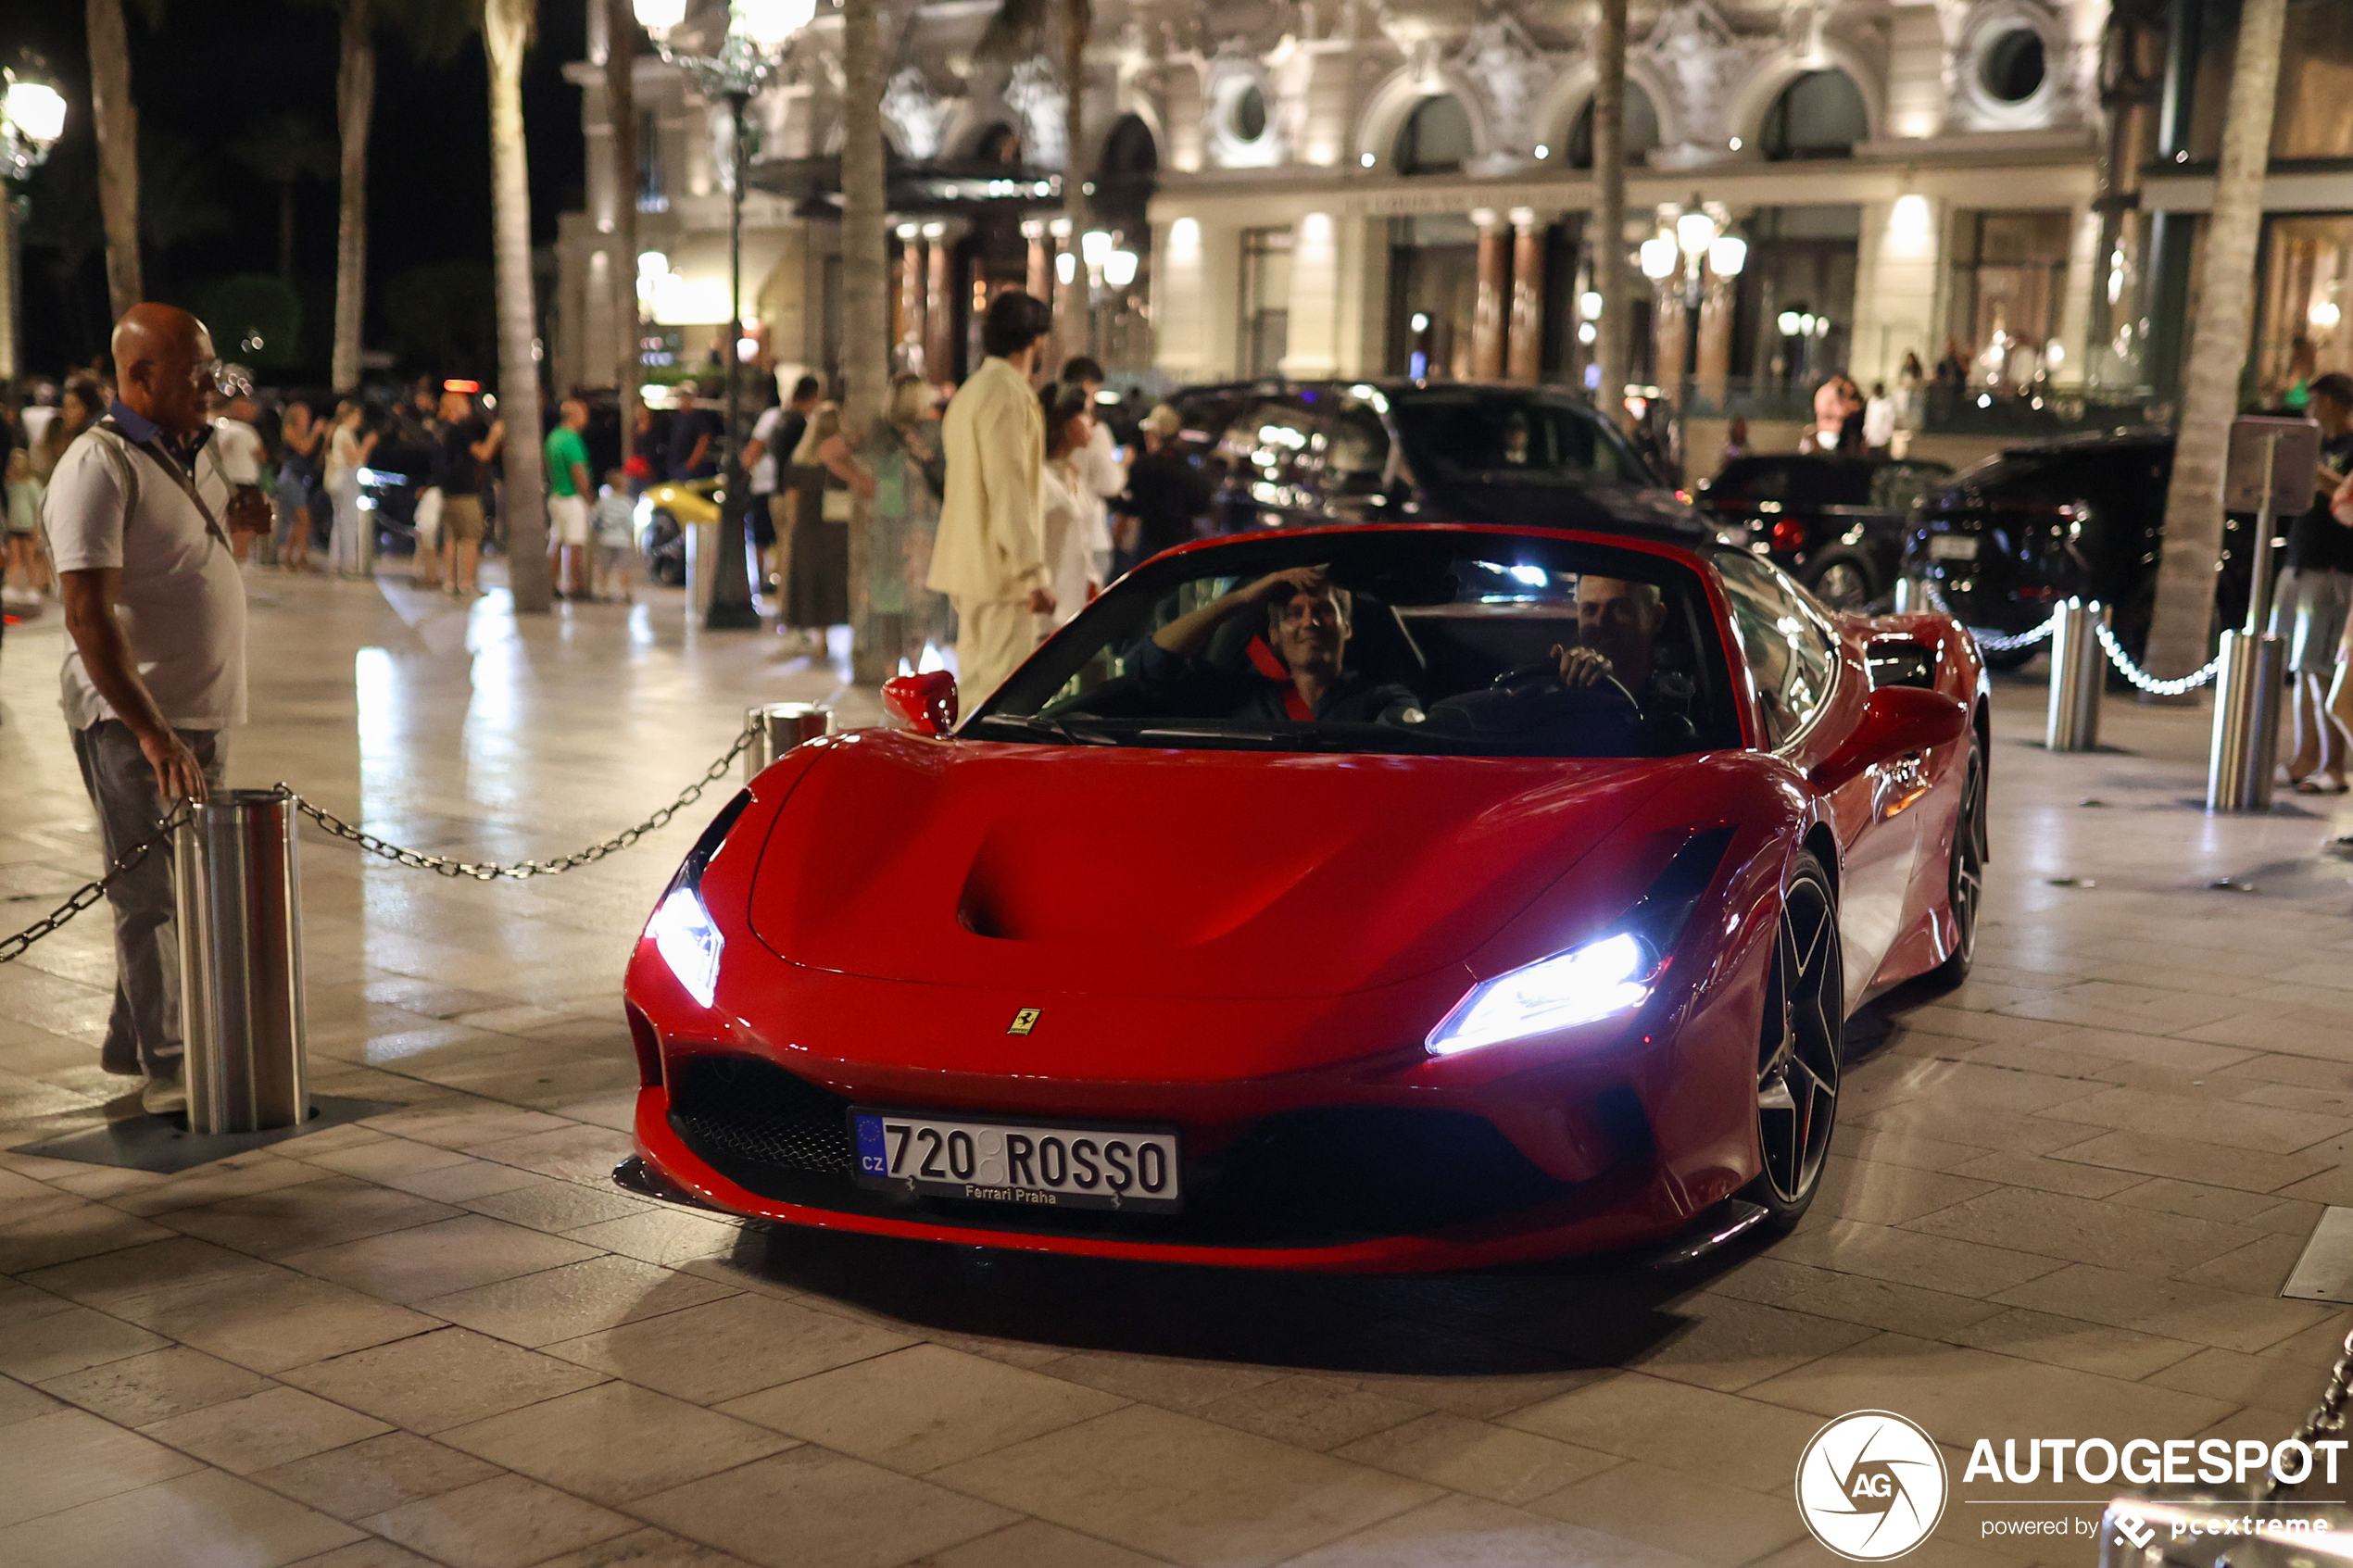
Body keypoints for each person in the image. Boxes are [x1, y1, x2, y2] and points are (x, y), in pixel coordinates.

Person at [44, 304, 269, 1113]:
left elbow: (179, 563)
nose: (212, 389)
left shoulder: (192, 452)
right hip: (134, 718)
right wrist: (148, 727)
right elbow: (86, 614)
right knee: (151, 892)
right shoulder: (96, 466)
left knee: (172, 885)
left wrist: (241, 527)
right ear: (139, 377)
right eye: (196, 374)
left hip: (197, 710)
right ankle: (169, 1060)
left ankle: (129, 1034)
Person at [929, 290, 1057, 701]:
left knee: (977, 685)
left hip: (971, 562)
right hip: (999, 570)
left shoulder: (970, 393)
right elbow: (1009, 489)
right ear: (1036, 340)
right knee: (997, 695)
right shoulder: (1008, 395)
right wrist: (1032, 571)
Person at [1136, 565, 1417, 722]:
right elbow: (1156, 662)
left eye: (1324, 612)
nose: (1310, 622)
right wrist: (1241, 599)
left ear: (1347, 628)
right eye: (1294, 615)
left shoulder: (1381, 699)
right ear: (1274, 635)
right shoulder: (1239, 694)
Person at [2275, 371, 2353, 793]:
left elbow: (2348, 495)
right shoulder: (2317, 444)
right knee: (2304, 668)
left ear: (2339, 404)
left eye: (2318, 401)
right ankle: (2305, 757)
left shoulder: (2347, 448)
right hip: (2302, 562)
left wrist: (2317, 472)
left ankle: (2333, 765)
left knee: (2325, 669)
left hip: (2335, 570)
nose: (2311, 409)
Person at [858, 370, 950, 668]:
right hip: (916, 529)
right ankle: (911, 668)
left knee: (899, 602)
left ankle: (899, 672)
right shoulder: (911, 433)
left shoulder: (885, 434)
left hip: (892, 527)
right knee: (912, 601)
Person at [781, 402, 858, 648]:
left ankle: (820, 638)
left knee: (812, 580)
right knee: (838, 579)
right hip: (838, 527)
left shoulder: (800, 460)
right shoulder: (844, 458)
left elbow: (792, 499)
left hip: (808, 527)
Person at [744, 374, 820, 596]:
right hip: (783, 491)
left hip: (771, 488)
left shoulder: (777, 418)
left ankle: (770, 586)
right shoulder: (798, 424)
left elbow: (752, 452)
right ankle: (785, 596)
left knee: (770, 541)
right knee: (785, 545)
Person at [1038, 383, 1104, 630]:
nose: (1094, 422)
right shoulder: (1044, 480)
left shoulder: (1070, 475)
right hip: (1050, 612)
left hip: (1073, 609)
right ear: (1067, 425)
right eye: (1086, 414)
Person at [1058, 357, 1126, 590]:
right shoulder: (1094, 431)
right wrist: (1124, 465)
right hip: (1091, 534)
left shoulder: (1050, 425)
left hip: (1059, 533)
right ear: (1087, 387)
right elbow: (1111, 482)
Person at [1125, 403, 1210, 570]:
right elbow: (1202, 504)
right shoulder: (1188, 470)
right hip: (1180, 545)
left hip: (1149, 543)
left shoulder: (1145, 466)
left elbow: (1134, 504)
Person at [434, 387, 500, 596]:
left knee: (451, 538)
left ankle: (450, 581)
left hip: (447, 491)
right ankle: (467, 583)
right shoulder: (461, 431)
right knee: (471, 537)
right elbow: (482, 454)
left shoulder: (441, 430)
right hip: (465, 492)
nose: (469, 408)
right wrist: (496, 435)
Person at [545, 397, 594, 599]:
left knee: (556, 542)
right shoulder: (572, 440)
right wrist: (588, 497)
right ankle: (577, 586)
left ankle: (551, 584)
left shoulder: (553, 438)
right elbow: (579, 472)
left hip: (556, 495)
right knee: (576, 543)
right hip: (572, 498)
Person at [209, 392, 268, 564]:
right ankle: (239, 560)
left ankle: (225, 558)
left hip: (225, 481)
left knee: (226, 522)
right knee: (244, 525)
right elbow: (262, 456)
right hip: (245, 482)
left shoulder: (220, 429)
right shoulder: (247, 431)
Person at [322, 401, 374, 576]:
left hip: (339, 479)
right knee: (348, 521)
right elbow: (353, 459)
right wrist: (367, 444)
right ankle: (348, 562)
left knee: (339, 521)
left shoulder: (338, 432)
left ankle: (335, 561)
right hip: (345, 480)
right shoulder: (344, 433)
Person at [272, 399, 321, 573]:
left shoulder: (301, 433)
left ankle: (289, 557)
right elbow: (304, 449)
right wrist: (315, 432)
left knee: (298, 521)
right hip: (290, 478)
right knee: (303, 518)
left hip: (299, 478)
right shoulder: (289, 431)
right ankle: (300, 557)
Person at [33, 377, 102, 483]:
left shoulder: (96, 443)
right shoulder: (55, 434)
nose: (66, 412)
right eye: (65, 406)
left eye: (73, 406)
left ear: (89, 410)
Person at [590, 467, 637, 602]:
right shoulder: (628, 503)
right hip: (622, 541)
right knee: (625, 568)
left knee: (604, 567)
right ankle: (626, 591)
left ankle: (603, 591)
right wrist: (632, 540)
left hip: (606, 539)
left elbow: (595, 518)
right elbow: (630, 524)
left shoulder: (603, 502)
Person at [5, 446, 44, 597]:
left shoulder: (31, 484)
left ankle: (34, 587)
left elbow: (37, 505)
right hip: (13, 526)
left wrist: (36, 527)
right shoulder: (9, 485)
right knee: (14, 558)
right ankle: (12, 586)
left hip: (27, 526)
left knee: (30, 559)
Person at [668, 382, 720, 481]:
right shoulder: (678, 417)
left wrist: (691, 464)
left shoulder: (699, 418)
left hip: (686, 469)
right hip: (675, 465)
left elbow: (704, 441)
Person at [1863, 382, 1897, 454]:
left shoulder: (1888, 403)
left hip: (1882, 439)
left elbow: (1890, 421)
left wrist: (1887, 438)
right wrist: (1865, 436)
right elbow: (1868, 420)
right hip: (1871, 438)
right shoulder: (1872, 402)